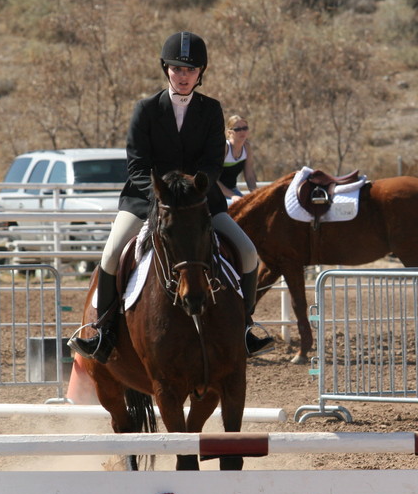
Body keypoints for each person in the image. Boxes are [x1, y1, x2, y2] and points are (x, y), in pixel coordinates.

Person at [68, 31, 273, 363]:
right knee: (109, 256)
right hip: (145, 201)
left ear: (200, 73)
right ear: (166, 69)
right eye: (177, 69)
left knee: (249, 253)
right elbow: (136, 165)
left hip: (199, 203)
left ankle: (245, 329)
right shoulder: (146, 109)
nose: (183, 76)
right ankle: (103, 332)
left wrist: (194, 193)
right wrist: (162, 197)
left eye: (190, 70)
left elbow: (211, 163)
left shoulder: (211, 110)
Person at [217, 114, 258, 200]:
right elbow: (213, 179)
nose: (242, 131)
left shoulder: (247, 147)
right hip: (215, 192)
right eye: (237, 129)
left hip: (232, 190)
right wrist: (233, 196)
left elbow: (249, 177)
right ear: (229, 132)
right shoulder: (225, 148)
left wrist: (256, 195)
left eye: (245, 128)